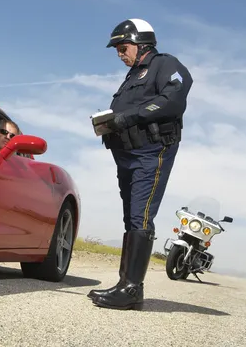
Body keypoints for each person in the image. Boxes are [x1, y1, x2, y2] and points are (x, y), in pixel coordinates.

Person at [87, 18, 194, 310]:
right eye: (117, 50)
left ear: (141, 43)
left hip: (151, 152)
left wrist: (129, 116)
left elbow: (174, 97)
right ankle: (126, 285)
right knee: (131, 217)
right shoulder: (132, 77)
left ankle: (132, 288)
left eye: (123, 47)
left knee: (140, 216)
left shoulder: (164, 63)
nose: (120, 54)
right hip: (127, 154)